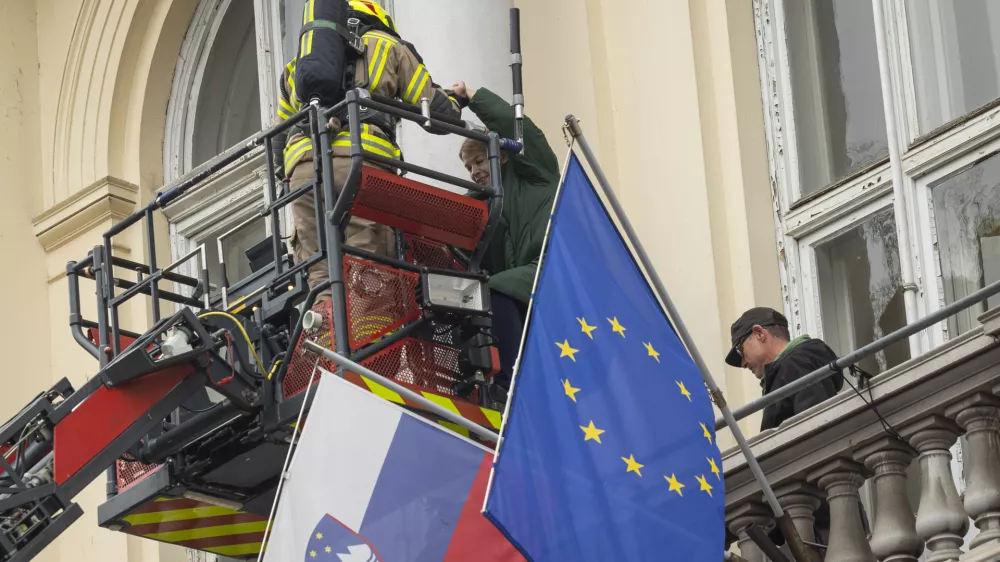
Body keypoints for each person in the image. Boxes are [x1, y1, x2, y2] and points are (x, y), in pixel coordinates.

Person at [275, 0, 462, 302]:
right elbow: (437, 114)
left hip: (304, 174)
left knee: (319, 270)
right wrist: (457, 101)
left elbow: (279, 138)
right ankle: (370, 335)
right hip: (360, 166)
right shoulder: (389, 47)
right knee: (369, 262)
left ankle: (328, 339)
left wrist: (287, 172)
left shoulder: (298, 63)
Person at [448, 82, 560, 396]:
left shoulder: (536, 174)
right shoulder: (481, 203)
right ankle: (481, 380)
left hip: (550, 269)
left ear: (503, 156)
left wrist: (474, 99)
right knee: (462, 297)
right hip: (522, 289)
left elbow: (522, 134)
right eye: (469, 167)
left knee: (489, 289)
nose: (473, 172)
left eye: (480, 161)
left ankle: (503, 381)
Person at [725, 307, 844, 431]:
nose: (743, 363)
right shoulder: (788, 369)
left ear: (759, 333)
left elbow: (816, 429)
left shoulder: (795, 364)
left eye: (740, 351)